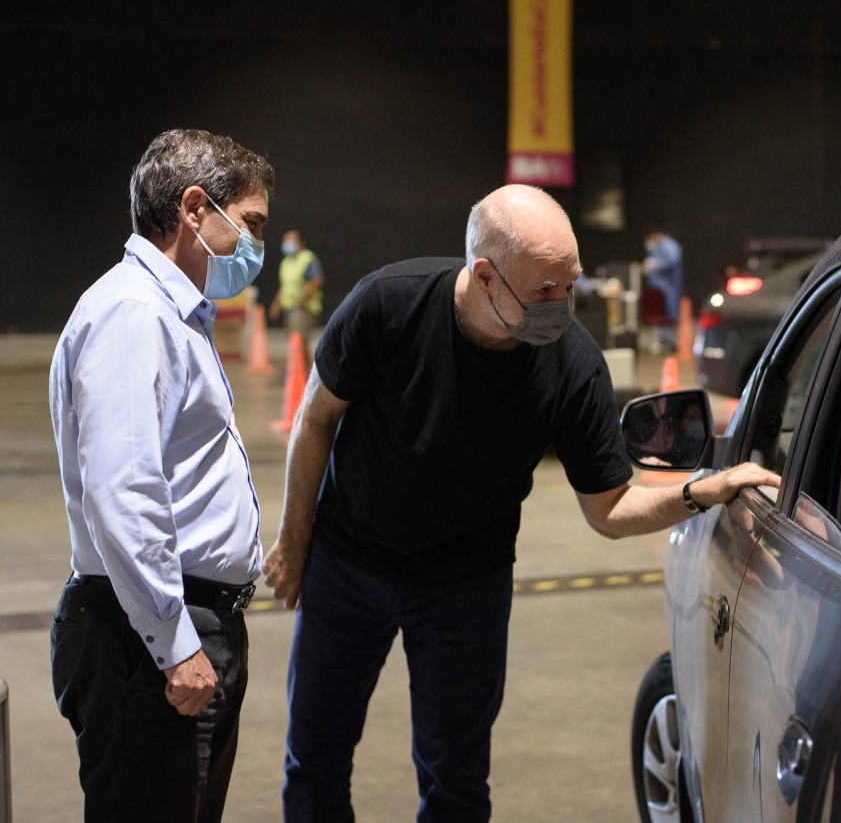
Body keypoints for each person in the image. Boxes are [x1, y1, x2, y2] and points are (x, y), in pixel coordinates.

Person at [262, 184, 778, 822]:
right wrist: (294, 538)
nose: (560, 305)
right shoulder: (388, 305)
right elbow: (315, 419)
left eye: (570, 285)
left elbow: (609, 508)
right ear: (484, 276)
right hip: (348, 566)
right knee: (314, 757)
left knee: (455, 776)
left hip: (464, 587)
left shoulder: (573, 366)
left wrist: (700, 492)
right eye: (543, 290)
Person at [48, 129, 275, 822]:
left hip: (170, 625)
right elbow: (123, 492)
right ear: (196, 210)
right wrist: (176, 646)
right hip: (147, 635)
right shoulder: (134, 316)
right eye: (251, 225)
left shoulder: (171, 315)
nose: (254, 247)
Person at [269, 229, 325, 364]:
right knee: (295, 341)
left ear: (301, 242)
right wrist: (276, 304)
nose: (287, 243)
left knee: (300, 341)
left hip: (303, 308)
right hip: (289, 308)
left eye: (291, 240)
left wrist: (302, 300)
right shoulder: (286, 262)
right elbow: (285, 285)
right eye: (285, 240)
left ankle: (305, 373)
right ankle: (299, 371)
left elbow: (317, 280)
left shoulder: (308, 258)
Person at [642, 230, 683, 349]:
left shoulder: (670, 246)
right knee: (659, 314)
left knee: (668, 315)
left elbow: (672, 260)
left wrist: (657, 264)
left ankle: (670, 342)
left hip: (668, 289)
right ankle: (663, 341)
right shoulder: (659, 248)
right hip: (659, 289)